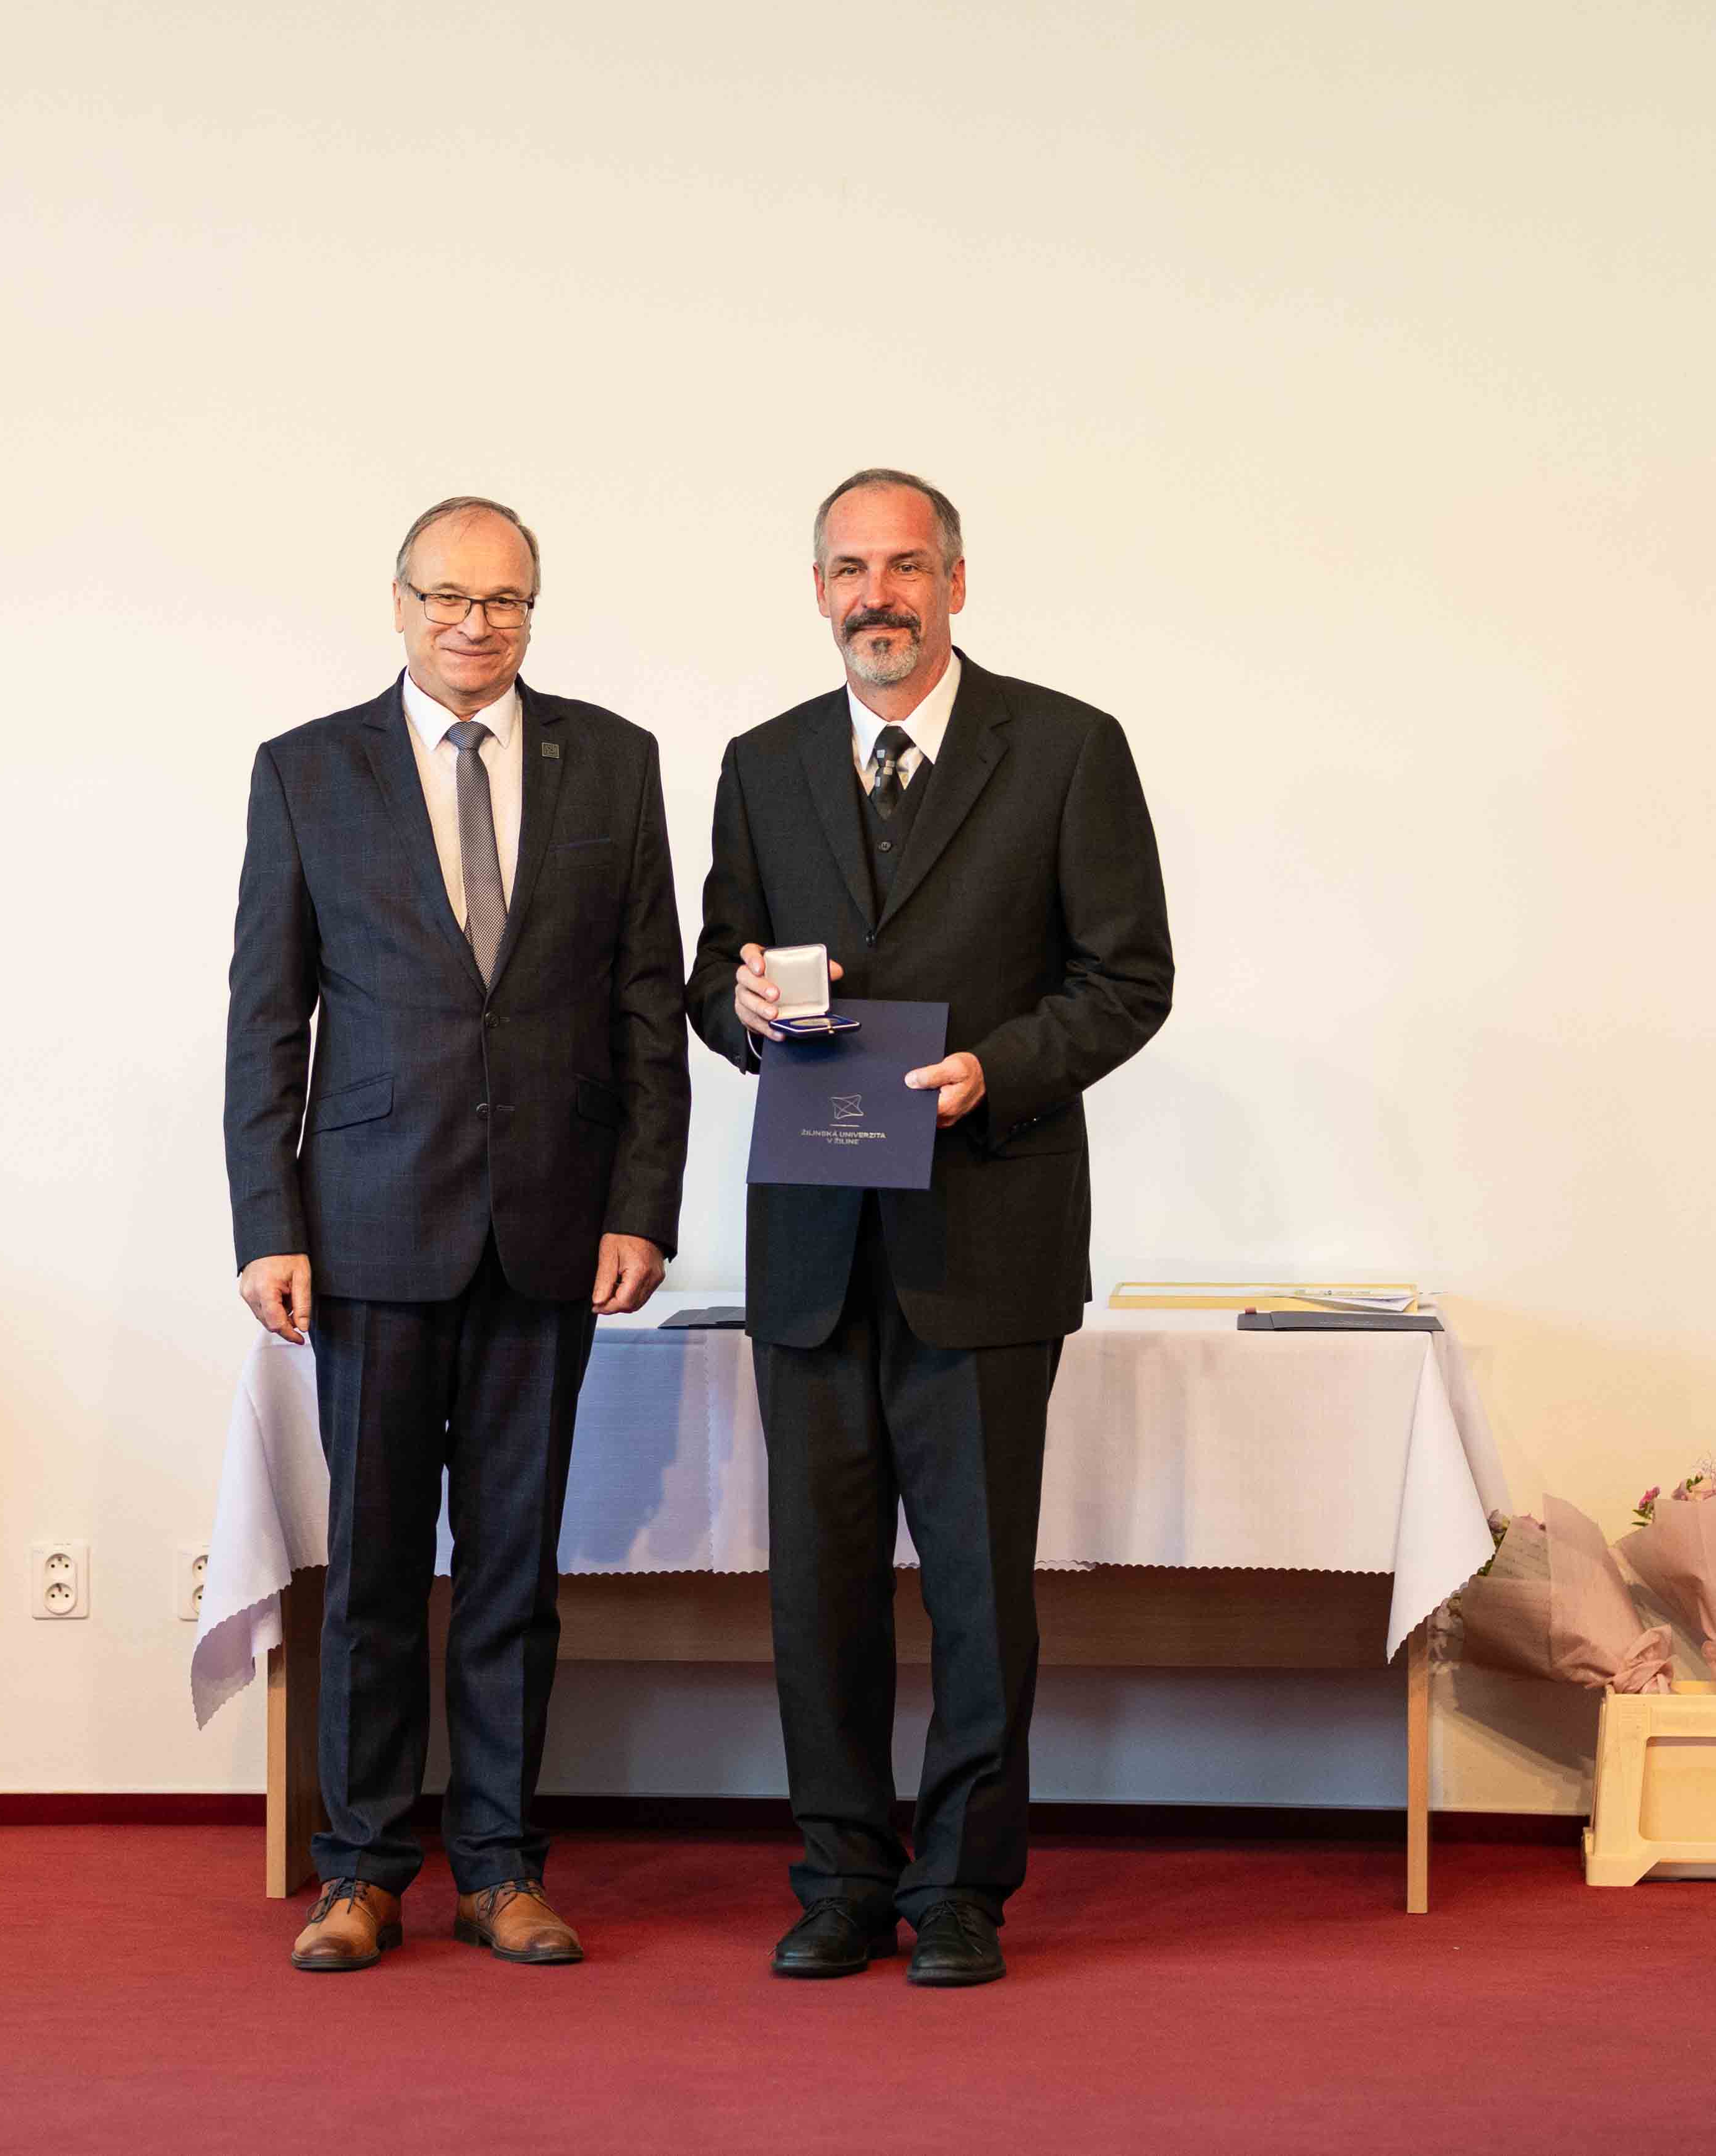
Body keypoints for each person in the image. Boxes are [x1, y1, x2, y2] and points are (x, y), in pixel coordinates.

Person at [687, 469, 1174, 1986]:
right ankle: (840, 1875)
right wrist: (741, 1004)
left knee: (975, 1592)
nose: (875, 595)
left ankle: (960, 1885)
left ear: (956, 581)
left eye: (904, 566)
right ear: (816, 591)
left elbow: (1127, 978)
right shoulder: (761, 762)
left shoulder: (1068, 748)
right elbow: (708, 976)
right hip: (812, 1252)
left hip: (986, 1236)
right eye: (848, 569)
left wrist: (995, 1071)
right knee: (816, 1596)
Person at [227, 496, 690, 1972]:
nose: (473, 624)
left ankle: (497, 1864)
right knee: (368, 1574)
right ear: (398, 602)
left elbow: (646, 1006)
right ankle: (359, 1870)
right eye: (447, 596)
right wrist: (266, 1222)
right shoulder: (308, 770)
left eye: (503, 601)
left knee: (510, 1571)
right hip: (365, 1229)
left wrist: (641, 1202)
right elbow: (265, 1015)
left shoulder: (612, 761)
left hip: (550, 1229)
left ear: (532, 609)